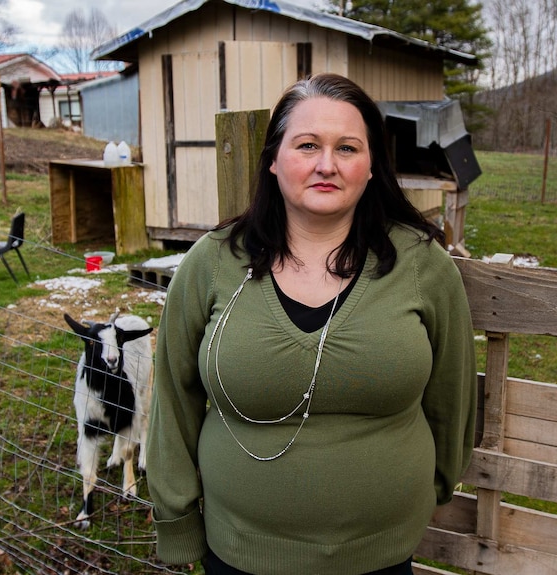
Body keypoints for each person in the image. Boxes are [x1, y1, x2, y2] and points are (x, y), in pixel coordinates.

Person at [147, 73, 477, 575]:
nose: (327, 164)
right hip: (239, 556)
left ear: (371, 167)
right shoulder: (212, 264)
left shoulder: (423, 267)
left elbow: (451, 397)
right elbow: (172, 399)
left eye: (347, 148)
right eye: (307, 145)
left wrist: (424, 490)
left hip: (381, 558)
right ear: (274, 160)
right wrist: (176, 519)